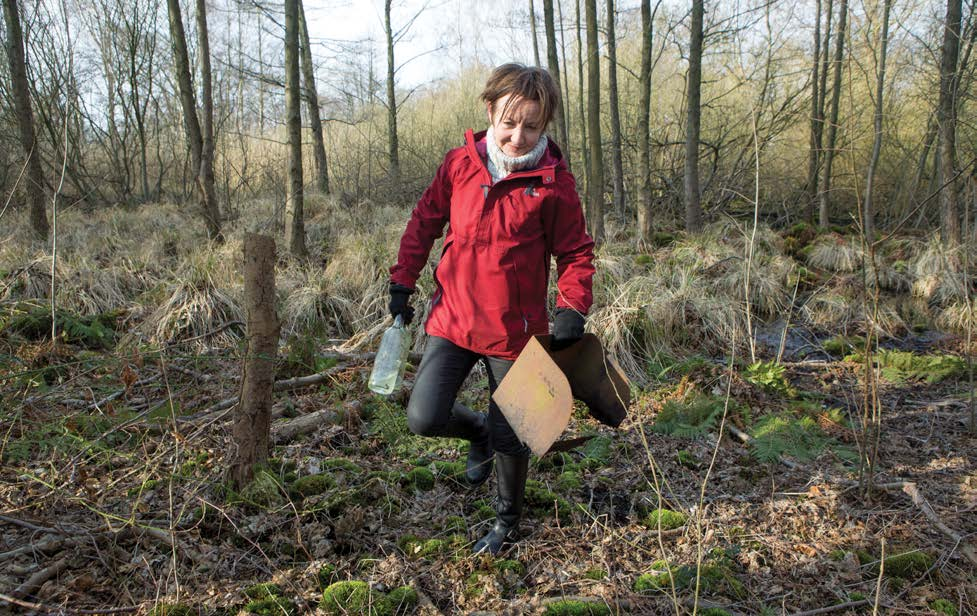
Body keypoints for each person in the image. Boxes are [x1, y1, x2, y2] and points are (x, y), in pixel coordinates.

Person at [387, 63, 595, 555]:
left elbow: (576, 253)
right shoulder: (460, 164)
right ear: (489, 111)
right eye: (508, 121)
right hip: (454, 320)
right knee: (424, 415)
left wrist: (572, 305)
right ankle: (475, 429)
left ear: (544, 125)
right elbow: (424, 223)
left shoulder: (553, 184)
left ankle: (506, 522)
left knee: (514, 434)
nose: (517, 136)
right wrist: (402, 281)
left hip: (515, 335)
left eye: (531, 126)